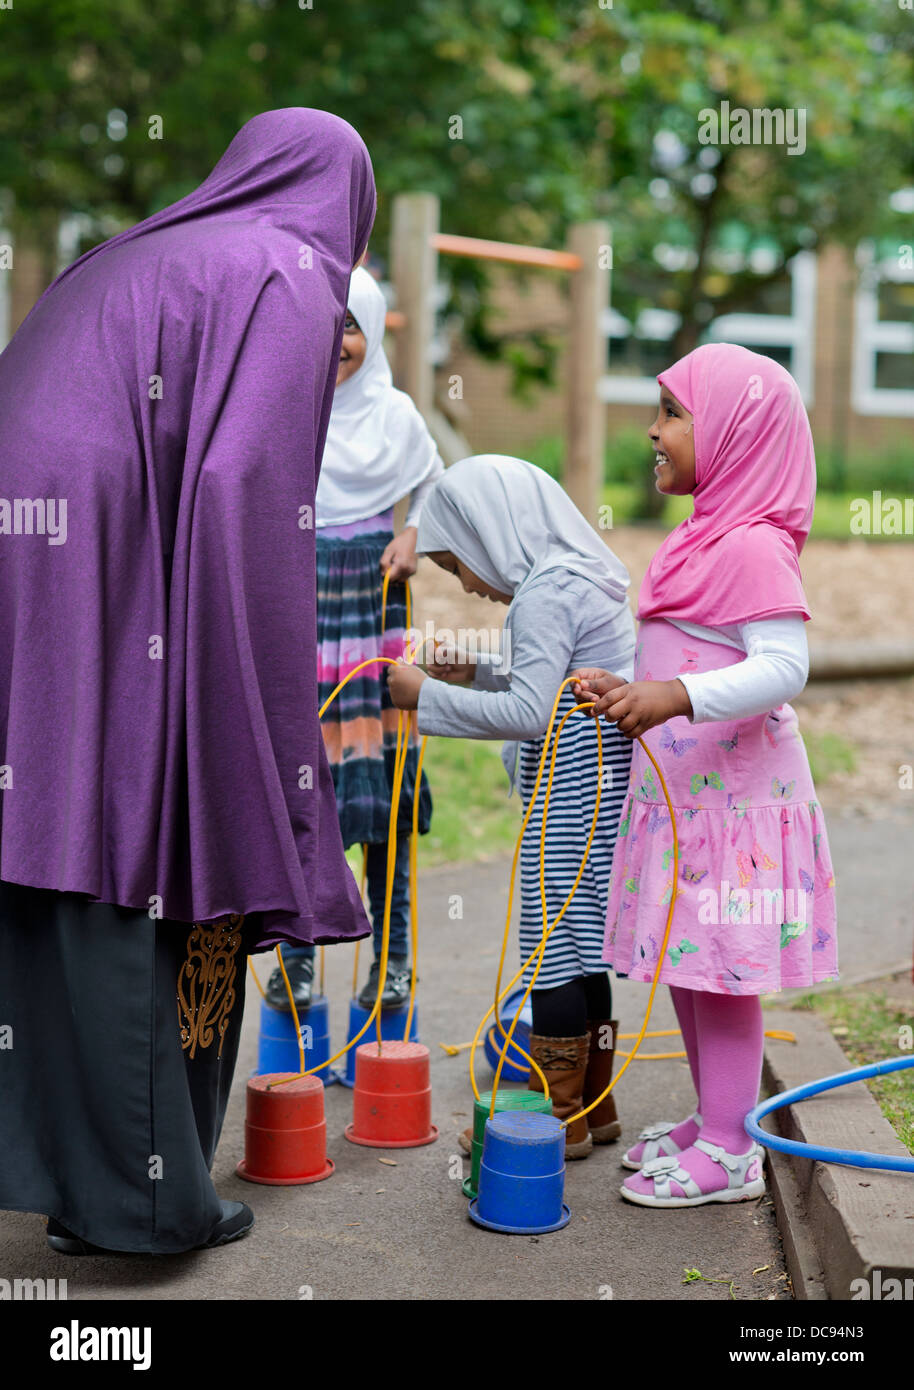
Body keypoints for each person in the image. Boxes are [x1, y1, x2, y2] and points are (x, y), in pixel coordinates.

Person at [0, 108, 375, 1254]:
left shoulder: (136, 250)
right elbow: (241, 485)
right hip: (116, 551)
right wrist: (253, 704)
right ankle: (145, 1206)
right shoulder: (289, 267)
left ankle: (79, 1182)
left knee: (50, 821)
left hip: (37, 550)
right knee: (145, 833)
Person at [574, 342, 838, 1207]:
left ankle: (730, 1150)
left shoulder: (756, 547)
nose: (652, 431)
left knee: (722, 971)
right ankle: (713, 1114)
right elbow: (683, 656)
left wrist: (676, 695)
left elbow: (782, 668)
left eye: (672, 414)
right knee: (693, 967)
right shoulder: (702, 536)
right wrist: (632, 691)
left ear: (736, 431)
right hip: (687, 807)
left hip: (738, 814)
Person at [388, 454, 635, 1157]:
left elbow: (530, 710)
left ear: (491, 534)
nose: (466, 585)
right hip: (601, 791)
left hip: (571, 794)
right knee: (585, 950)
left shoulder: (544, 595)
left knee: (551, 951)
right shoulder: (577, 576)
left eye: (457, 564)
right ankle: (593, 1104)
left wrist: (423, 697)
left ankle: (555, 1120)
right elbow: (545, 674)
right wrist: (475, 670)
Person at [263, 267, 440, 1016]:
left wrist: (410, 533)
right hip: (302, 605)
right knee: (307, 780)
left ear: (373, 329)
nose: (338, 342)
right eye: (325, 325)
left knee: (384, 787)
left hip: (374, 601)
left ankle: (393, 961)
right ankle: (298, 961)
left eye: (352, 325)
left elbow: (436, 488)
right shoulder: (286, 409)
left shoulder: (398, 417)